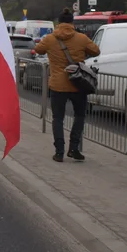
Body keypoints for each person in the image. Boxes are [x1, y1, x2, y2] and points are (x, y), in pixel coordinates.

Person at [34, 8, 100, 163]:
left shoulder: (50, 38)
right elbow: (96, 51)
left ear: (59, 23)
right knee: (80, 116)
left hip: (58, 85)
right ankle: (74, 148)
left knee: (58, 118)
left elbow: (38, 49)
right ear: (72, 22)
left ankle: (59, 152)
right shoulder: (82, 38)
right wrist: (81, 54)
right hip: (78, 83)